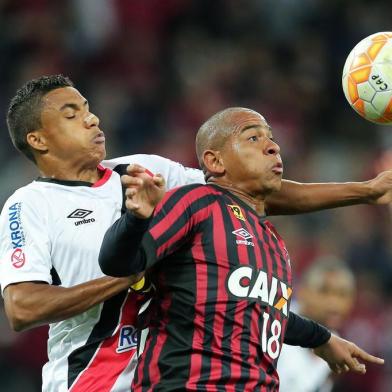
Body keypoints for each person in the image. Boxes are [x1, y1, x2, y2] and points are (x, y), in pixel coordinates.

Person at [0, 75, 390, 392]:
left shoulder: (143, 171)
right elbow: (23, 308)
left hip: (168, 374)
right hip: (92, 377)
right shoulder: (30, 204)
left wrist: (367, 191)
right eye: (72, 115)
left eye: (88, 108)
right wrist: (128, 279)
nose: (92, 119)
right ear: (38, 140)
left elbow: (243, 187)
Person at [98, 107, 384, 391]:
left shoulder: (273, 241)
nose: (273, 147)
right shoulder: (196, 202)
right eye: (253, 138)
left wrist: (322, 338)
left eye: (271, 138)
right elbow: (118, 264)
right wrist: (135, 221)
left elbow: (262, 311)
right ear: (215, 161)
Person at [278, 257, 356, 392]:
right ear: (302, 291)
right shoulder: (276, 323)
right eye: (324, 291)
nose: (334, 304)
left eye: (342, 294)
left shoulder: (337, 348)